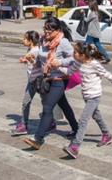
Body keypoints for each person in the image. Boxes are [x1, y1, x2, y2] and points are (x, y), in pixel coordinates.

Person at [59, 42, 112, 159]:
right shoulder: (78, 63)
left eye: (75, 52)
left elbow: (106, 74)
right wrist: (57, 66)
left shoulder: (94, 64)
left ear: (83, 54)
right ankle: (107, 135)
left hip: (94, 96)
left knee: (83, 120)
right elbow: (69, 72)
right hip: (86, 95)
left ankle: (74, 147)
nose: (73, 54)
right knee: (97, 116)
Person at [23, 17, 79, 150]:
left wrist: (60, 62)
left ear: (57, 30)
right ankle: (76, 129)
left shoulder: (63, 42)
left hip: (59, 80)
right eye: (45, 28)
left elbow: (74, 57)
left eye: (49, 29)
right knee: (64, 105)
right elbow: (40, 58)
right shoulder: (43, 40)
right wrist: (31, 59)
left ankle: (38, 138)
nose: (46, 32)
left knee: (47, 107)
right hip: (47, 79)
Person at [11, 31, 44, 136]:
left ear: (30, 41)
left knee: (45, 104)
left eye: (25, 39)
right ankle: (24, 125)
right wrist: (26, 61)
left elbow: (39, 65)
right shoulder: (31, 49)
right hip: (32, 80)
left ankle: (49, 122)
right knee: (26, 102)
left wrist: (30, 60)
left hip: (38, 81)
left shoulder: (36, 51)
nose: (23, 40)